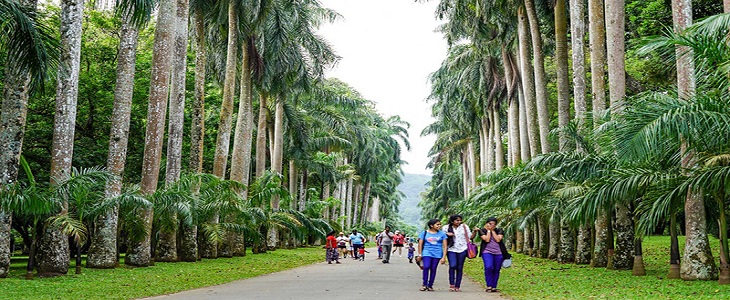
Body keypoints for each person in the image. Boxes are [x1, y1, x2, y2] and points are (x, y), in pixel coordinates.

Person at [417, 219, 448, 291]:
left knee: (433, 268)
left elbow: (445, 246)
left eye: (440, 224)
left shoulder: (442, 234)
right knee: (426, 266)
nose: (439, 226)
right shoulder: (424, 233)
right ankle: (424, 284)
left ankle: (430, 285)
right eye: (437, 224)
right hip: (427, 252)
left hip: (437, 253)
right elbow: (420, 244)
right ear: (431, 225)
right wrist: (420, 254)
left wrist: (444, 257)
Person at [443, 214, 472, 292]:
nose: (459, 222)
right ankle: (452, 284)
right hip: (451, 249)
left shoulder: (465, 227)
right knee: (452, 265)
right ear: (452, 221)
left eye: (460, 220)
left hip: (462, 248)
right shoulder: (446, 228)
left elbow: (470, 237)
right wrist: (447, 234)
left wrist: (475, 232)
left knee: (459, 267)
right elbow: (441, 237)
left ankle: (457, 285)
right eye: (457, 220)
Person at [479, 217, 504, 293]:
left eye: (494, 224)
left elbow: (498, 239)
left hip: (498, 252)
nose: (492, 225)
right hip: (487, 252)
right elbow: (487, 239)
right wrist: (488, 231)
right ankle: (489, 285)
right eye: (490, 224)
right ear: (486, 223)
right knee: (489, 267)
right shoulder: (482, 231)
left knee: (496, 269)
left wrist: (492, 231)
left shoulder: (499, 230)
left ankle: (494, 286)